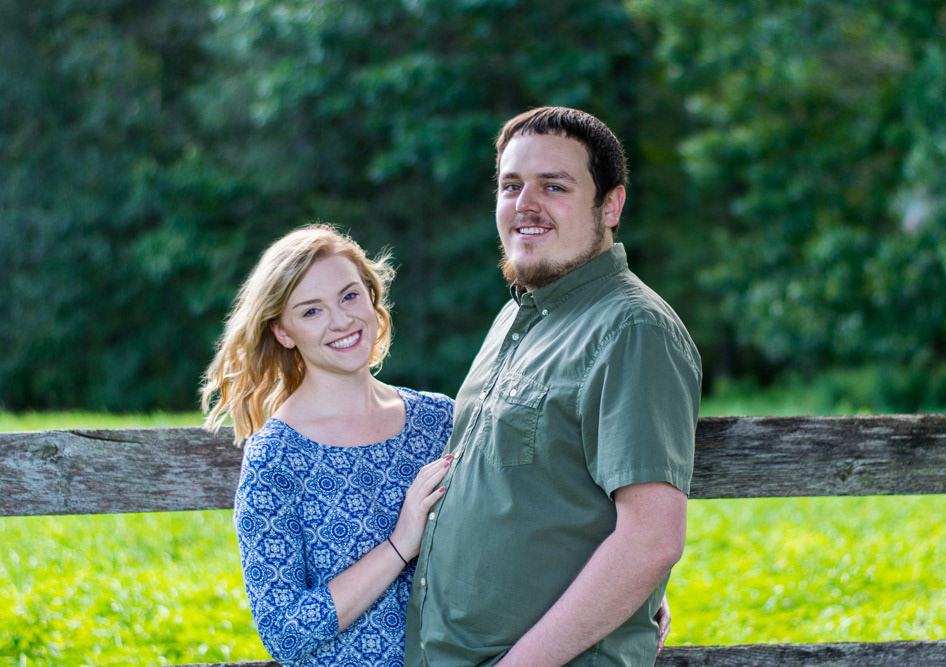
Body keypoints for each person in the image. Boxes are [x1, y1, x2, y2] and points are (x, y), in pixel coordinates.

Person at [405, 107, 702, 666]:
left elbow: (652, 540)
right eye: (511, 185)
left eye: (554, 186)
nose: (525, 204)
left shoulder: (632, 329)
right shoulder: (519, 317)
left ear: (610, 205)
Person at [201, 223, 454, 666]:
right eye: (311, 311)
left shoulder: (439, 419)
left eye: (349, 296)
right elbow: (283, 633)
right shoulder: (277, 456)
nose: (341, 320)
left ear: (372, 296)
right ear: (283, 331)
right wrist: (399, 545)